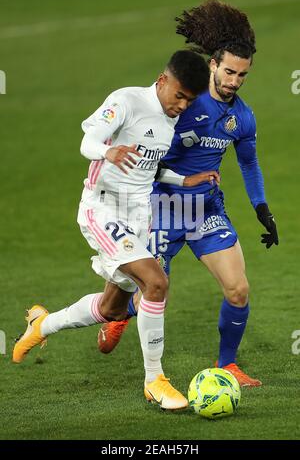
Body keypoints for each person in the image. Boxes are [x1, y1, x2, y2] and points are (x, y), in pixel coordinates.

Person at [13, 50, 221, 410]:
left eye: (190, 99)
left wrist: (185, 179)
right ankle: (154, 380)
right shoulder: (126, 101)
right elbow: (88, 141)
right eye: (179, 95)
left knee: (111, 309)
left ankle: (42, 325)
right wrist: (106, 153)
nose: (182, 105)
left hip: (139, 217)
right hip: (102, 207)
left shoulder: (170, 121)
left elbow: (149, 168)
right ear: (162, 80)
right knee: (156, 283)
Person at [98, 0, 279, 387]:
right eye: (228, 71)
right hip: (161, 207)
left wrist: (262, 208)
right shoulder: (180, 106)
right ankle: (117, 315)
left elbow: (249, 164)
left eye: (242, 75)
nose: (234, 81)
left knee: (239, 289)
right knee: (152, 288)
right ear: (212, 65)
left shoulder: (242, 117)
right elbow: (145, 150)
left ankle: (227, 365)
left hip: (205, 209)